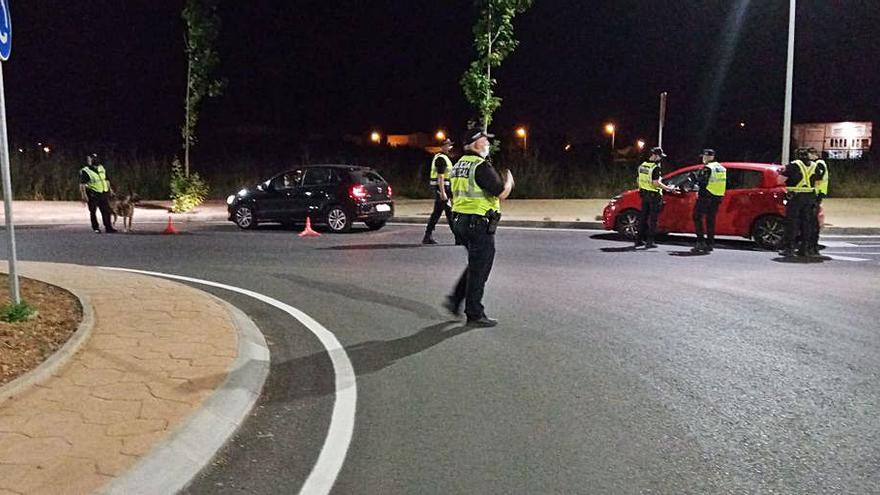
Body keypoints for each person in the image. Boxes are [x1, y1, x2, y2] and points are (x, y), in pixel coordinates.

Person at [444, 128, 514, 327]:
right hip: (478, 224)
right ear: (476, 144)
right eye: (484, 141)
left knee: (476, 264)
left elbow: (451, 192)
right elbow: (500, 192)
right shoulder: (480, 166)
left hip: (459, 223)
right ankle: (474, 313)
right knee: (480, 268)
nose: (487, 144)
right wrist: (509, 182)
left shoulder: (458, 165)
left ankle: (455, 299)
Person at [777, 148, 818, 257]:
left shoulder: (793, 165)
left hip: (796, 197)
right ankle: (805, 249)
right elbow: (819, 180)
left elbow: (780, 180)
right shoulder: (814, 166)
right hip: (810, 197)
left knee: (792, 223)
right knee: (807, 224)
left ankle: (789, 248)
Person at [635, 147, 676, 248]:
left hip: (644, 194)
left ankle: (638, 240)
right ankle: (650, 242)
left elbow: (638, 180)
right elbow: (656, 183)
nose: (660, 158)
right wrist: (668, 189)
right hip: (653, 196)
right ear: (655, 155)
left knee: (643, 218)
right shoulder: (655, 168)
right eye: (660, 156)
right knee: (653, 220)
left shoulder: (642, 166)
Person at [689, 149, 727, 253]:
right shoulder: (721, 168)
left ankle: (700, 242)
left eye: (704, 157)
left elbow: (703, 182)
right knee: (710, 220)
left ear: (709, 157)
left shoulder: (708, 168)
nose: (703, 159)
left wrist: (695, 179)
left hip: (706, 196)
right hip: (717, 197)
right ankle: (710, 243)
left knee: (697, 217)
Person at [423, 138, 455, 244]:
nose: (450, 147)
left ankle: (427, 236)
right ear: (443, 147)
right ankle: (458, 237)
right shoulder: (441, 159)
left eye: (450, 145)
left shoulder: (443, 158)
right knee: (449, 213)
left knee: (437, 213)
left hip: (443, 189)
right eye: (448, 145)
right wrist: (443, 193)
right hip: (441, 189)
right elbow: (440, 177)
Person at [79, 153, 117, 234]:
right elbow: (82, 184)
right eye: (89, 159)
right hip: (93, 193)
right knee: (93, 211)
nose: (89, 160)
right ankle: (96, 228)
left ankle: (108, 227)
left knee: (106, 211)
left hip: (103, 192)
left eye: (91, 159)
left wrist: (110, 190)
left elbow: (106, 180)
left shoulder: (101, 168)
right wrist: (84, 195)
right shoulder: (86, 171)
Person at [808, 147, 829, 256]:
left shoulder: (819, 163)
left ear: (814, 154)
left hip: (817, 192)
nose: (809, 158)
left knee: (813, 221)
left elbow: (818, 177)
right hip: (817, 193)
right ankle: (812, 244)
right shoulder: (820, 163)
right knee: (813, 220)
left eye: (809, 155)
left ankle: (813, 245)